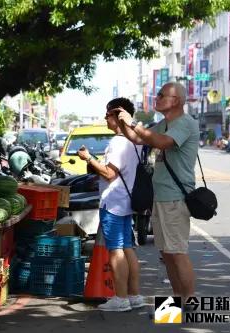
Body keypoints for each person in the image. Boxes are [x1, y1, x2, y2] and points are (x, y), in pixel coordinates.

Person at [116, 82, 198, 301]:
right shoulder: (163, 123)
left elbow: (161, 143)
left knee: (177, 253)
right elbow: (137, 138)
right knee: (166, 254)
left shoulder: (185, 123)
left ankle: (189, 300)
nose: (158, 98)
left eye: (162, 95)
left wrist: (132, 122)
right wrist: (121, 122)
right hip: (160, 197)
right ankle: (176, 300)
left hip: (175, 198)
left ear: (177, 101)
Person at [77, 97, 144, 312]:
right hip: (127, 201)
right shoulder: (136, 141)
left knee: (116, 251)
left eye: (107, 114)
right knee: (128, 248)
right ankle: (134, 296)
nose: (105, 118)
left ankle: (121, 298)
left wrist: (88, 158)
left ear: (118, 115)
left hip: (114, 203)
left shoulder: (118, 142)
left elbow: (109, 173)